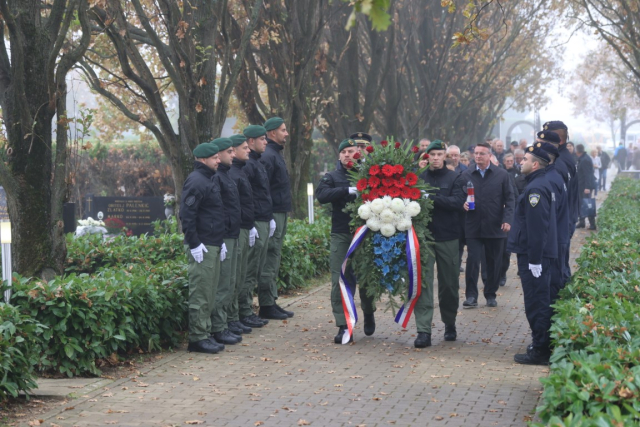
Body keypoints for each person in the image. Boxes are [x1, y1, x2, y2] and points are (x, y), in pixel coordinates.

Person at [316, 138, 376, 344]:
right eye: (344, 152)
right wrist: (345, 190)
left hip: (365, 232)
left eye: (351, 151)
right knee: (339, 279)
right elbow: (321, 196)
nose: (348, 155)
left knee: (366, 277)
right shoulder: (332, 177)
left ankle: (369, 311)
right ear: (339, 155)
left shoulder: (366, 174)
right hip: (341, 233)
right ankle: (343, 325)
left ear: (358, 154)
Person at [507, 144, 557, 365]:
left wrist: (535, 260)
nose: (521, 162)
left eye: (525, 159)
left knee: (536, 302)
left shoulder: (535, 189)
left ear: (535, 164)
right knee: (538, 300)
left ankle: (540, 350)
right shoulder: (539, 183)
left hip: (534, 255)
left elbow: (537, 228)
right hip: (536, 253)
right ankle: (540, 344)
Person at [415, 140, 466, 348]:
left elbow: (458, 203)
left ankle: (449, 323)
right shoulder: (418, 178)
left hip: (448, 237)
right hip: (424, 237)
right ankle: (423, 330)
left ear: (445, 156)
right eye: (432, 154)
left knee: (449, 285)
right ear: (426, 156)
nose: (435, 158)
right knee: (424, 284)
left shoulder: (455, 177)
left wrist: (431, 198)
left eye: (439, 154)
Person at [181, 142, 226, 354]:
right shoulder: (197, 181)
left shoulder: (209, 179)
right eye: (215, 157)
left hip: (212, 243)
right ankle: (197, 338)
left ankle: (205, 333)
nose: (219, 160)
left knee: (209, 292)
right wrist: (194, 243)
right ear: (202, 160)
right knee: (200, 293)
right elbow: (187, 215)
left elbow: (213, 213)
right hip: (203, 245)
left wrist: (220, 240)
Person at [460, 142, 515, 308]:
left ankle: (491, 294)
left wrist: (507, 220)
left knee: (493, 262)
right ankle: (471, 296)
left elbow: (510, 199)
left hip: (495, 225)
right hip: (473, 225)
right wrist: (462, 204)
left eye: (482, 154)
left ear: (489, 155)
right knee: (473, 261)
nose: (478, 156)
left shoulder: (501, 175)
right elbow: (458, 196)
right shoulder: (466, 174)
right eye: (476, 153)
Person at [242, 125, 281, 321]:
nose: (266, 142)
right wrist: (252, 224)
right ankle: (245, 311)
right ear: (250, 142)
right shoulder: (249, 165)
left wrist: (270, 217)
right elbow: (247, 197)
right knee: (250, 269)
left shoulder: (256, 162)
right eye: (262, 139)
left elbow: (264, 193)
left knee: (256, 267)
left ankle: (248, 310)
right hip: (256, 220)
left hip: (264, 218)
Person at [228, 133, 266, 330]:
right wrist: (248, 225)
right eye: (244, 148)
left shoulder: (239, 171)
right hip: (239, 229)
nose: (248, 151)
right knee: (238, 276)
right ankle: (237, 315)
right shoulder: (234, 174)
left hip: (245, 227)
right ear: (233, 152)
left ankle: (241, 313)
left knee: (243, 274)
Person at [208, 138, 244, 345]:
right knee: (223, 284)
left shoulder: (226, 175)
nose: (233, 155)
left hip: (232, 233)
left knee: (230, 282)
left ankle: (225, 323)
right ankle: (218, 327)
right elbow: (218, 210)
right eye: (228, 152)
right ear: (219, 155)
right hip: (225, 236)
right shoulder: (217, 178)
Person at [259, 117, 294, 319]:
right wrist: (269, 215)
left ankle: (271, 301)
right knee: (270, 256)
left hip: (279, 212)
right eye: (283, 130)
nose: (286, 133)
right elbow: (264, 189)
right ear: (272, 133)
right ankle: (266, 304)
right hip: (273, 213)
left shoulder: (274, 154)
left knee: (275, 256)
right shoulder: (268, 156)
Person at [536, 135, 570, 303]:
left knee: (553, 284)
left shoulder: (549, 179)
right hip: (557, 238)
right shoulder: (553, 175)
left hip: (553, 241)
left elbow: (549, 214)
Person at [576, 143, 596, 230]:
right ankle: (582, 221)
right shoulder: (582, 158)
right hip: (581, 185)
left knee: (588, 204)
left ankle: (592, 224)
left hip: (585, 187)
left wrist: (587, 187)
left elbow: (588, 174)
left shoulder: (584, 160)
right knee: (581, 204)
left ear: (577, 151)